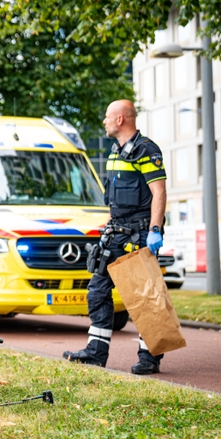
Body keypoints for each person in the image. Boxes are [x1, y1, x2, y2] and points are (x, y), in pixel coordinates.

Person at [63, 99, 167, 375]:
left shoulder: (146, 150)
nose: (104, 122)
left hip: (139, 233)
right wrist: (106, 226)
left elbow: (159, 192)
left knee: (144, 296)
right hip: (116, 233)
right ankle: (96, 353)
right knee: (97, 291)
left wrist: (155, 231)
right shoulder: (115, 152)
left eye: (107, 117)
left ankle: (150, 357)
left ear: (120, 119)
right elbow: (116, 200)